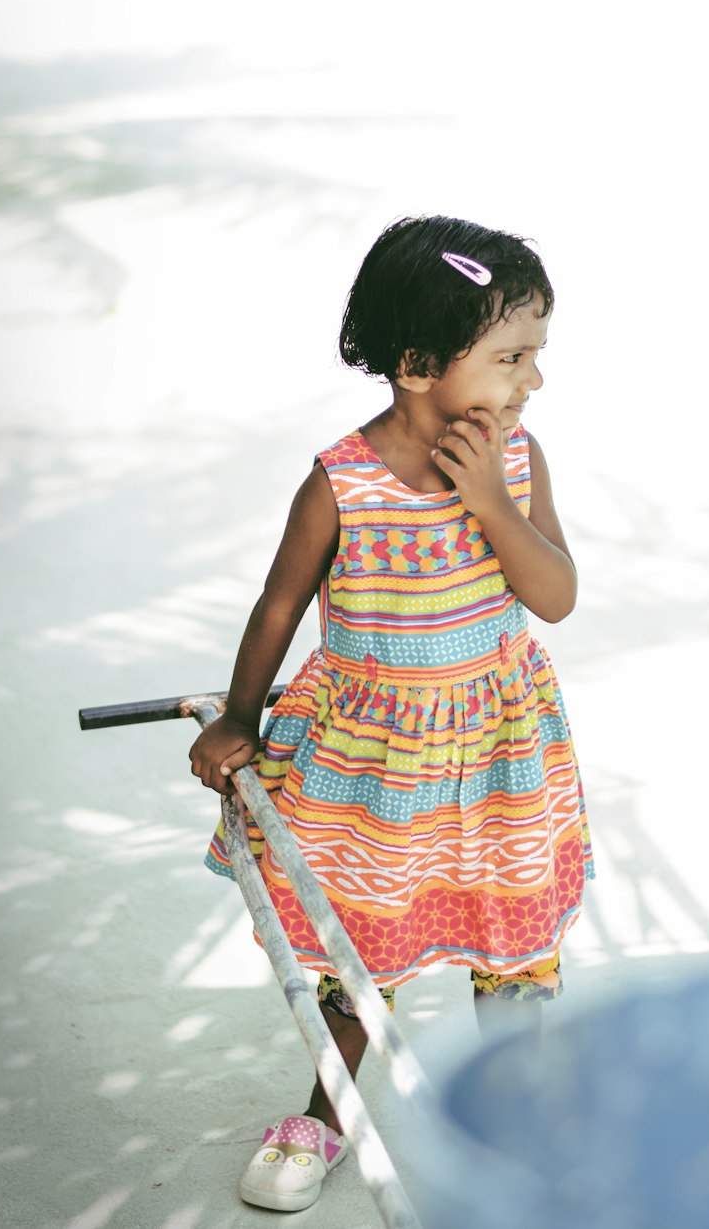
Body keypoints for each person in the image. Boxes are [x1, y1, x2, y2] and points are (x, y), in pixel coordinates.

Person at [189, 214, 594, 1212]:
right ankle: (326, 1117)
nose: (530, 381)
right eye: (510, 357)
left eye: (534, 355)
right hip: (378, 770)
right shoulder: (340, 484)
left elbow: (554, 594)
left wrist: (492, 501)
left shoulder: (520, 458)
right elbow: (280, 605)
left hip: (498, 758)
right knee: (355, 942)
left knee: (513, 940)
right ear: (417, 363)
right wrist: (237, 713)